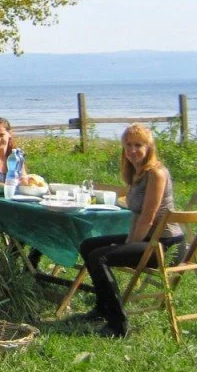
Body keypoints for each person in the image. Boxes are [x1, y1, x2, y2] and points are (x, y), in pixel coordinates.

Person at [76, 124, 184, 338]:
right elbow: (136, 213)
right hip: (149, 239)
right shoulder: (136, 172)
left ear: (149, 147)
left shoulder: (156, 173)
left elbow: (148, 217)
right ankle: (102, 308)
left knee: (100, 257)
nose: (132, 150)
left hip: (165, 245)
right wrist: (129, 240)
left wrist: (127, 244)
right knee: (88, 245)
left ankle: (118, 325)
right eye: (128, 145)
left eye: (138, 145)